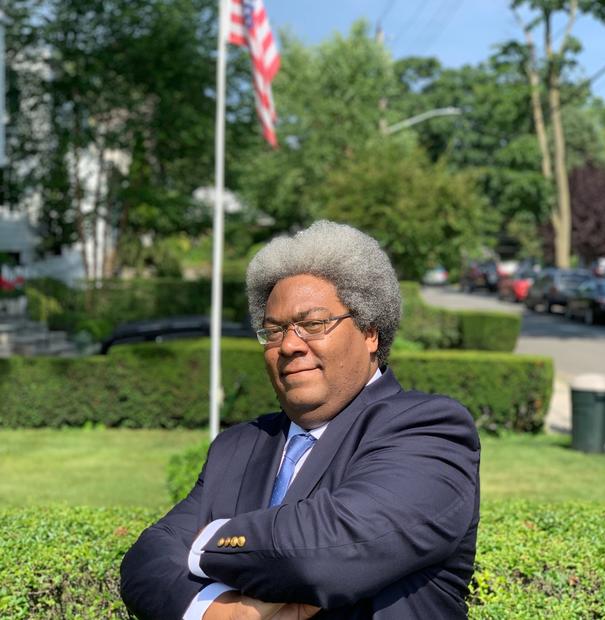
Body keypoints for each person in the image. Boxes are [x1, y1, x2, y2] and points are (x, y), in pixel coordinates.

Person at [121, 220, 480, 620]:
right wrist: (216, 612)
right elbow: (145, 562)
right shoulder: (237, 447)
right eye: (273, 331)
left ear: (370, 333)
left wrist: (202, 542)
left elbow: (326, 551)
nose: (290, 345)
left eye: (313, 324)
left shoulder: (429, 431)